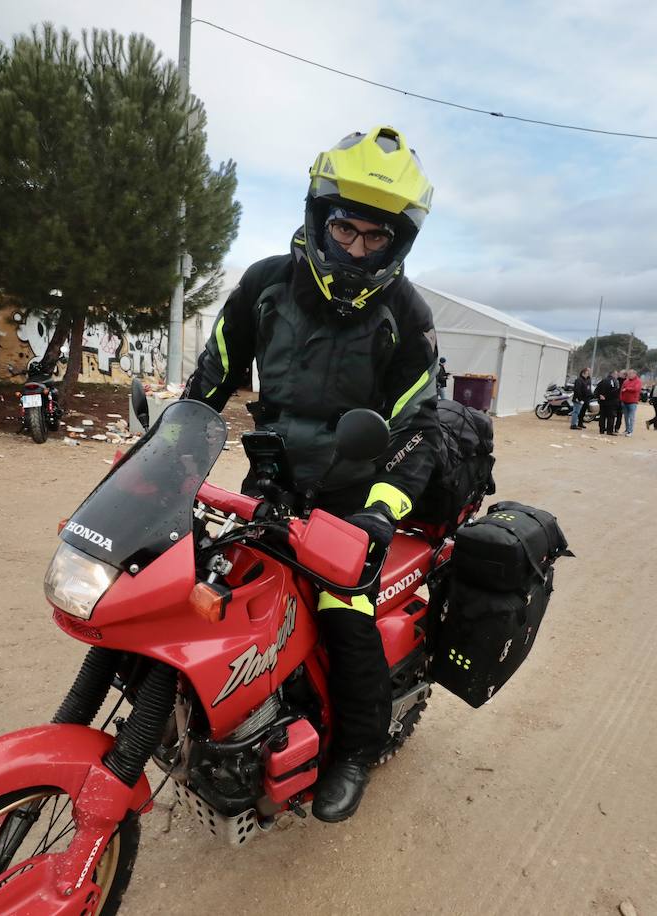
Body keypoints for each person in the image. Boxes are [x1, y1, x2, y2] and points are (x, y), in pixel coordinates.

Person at [183, 126, 440, 823]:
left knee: (341, 612)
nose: (356, 248)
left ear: (396, 243)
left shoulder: (406, 317)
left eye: (373, 238)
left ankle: (355, 747)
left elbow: (420, 427)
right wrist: (165, 462)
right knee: (205, 586)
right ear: (318, 218)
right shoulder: (264, 286)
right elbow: (210, 383)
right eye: (344, 229)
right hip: (271, 480)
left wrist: (380, 513)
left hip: (351, 497)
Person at [594, 369, 621, 435]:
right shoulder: (615, 381)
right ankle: (609, 431)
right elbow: (615, 392)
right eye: (616, 374)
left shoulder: (603, 380)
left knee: (602, 416)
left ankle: (601, 430)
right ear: (613, 374)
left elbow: (596, 391)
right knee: (611, 417)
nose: (617, 376)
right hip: (611, 402)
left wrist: (599, 396)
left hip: (603, 402)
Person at [619, 369, 643, 436]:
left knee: (631, 417)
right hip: (624, 401)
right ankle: (627, 430)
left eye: (630, 374)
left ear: (634, 374)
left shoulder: (638, 381)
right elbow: (621, 390)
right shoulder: (626, 381)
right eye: (628, 374)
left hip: (632, 402)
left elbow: (636, 389)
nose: (629, 375)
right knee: (626, 417)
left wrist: (627, 389)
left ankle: (630, 431)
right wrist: (621, 398)